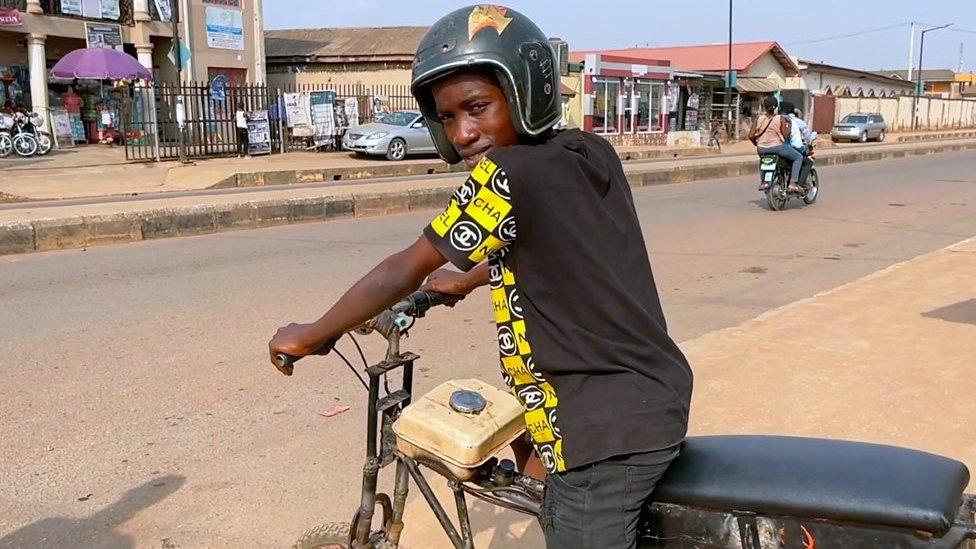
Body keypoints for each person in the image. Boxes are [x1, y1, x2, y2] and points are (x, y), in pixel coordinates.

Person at [268, 5, 693, 548]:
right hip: (645, 398)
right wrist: (466, 280)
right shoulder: (590, 151)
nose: (464, 133)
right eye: (447, 118)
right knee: (541, 482)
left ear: (525, 95)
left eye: (477, 108)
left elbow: (404, 266)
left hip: (601, 433)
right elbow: (565, 246)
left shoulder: (505, 175)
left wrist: (312, 334)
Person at [750, 96, 803, 192]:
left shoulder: (758, 118)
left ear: (764, 107)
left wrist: (756, 144)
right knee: (798, 157)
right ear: (776, 107)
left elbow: (751, 136)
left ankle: (764, 181)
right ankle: (793, 183)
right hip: (778, 147)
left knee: (763, 161)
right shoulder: (780, 118)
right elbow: (786, 136)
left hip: (761, 148)